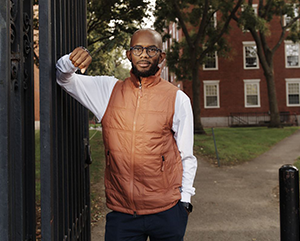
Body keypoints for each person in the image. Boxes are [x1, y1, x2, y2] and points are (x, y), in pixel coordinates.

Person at [56, 28, 197, 241]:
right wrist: (72, 60)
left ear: (162, 56)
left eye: (151, 50)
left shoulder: (177, 98)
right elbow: (64, 79)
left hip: (167, 211)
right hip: (123, 214)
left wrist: (184, 202)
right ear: (128, 54)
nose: (144, 54)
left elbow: (186, 155)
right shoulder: (107, 91)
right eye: (138, 49)